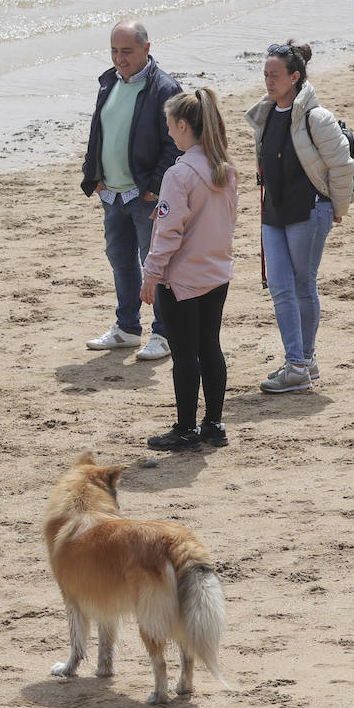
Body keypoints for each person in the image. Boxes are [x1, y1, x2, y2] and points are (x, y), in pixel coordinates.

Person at [245, 41, 354, 393]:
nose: (268, 81)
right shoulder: (264, 114)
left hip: (309, 210)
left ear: (295, 77)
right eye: (265, 75)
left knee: (302, 285)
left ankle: (300, 362)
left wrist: (338, 209)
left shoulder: (315, 117)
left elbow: (342, 166)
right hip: (273, 212)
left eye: (274, 75)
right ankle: (300, 362)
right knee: (279, 287)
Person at [139, 88, 238, 451]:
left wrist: (151, 274)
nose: (168, 134)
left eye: (170, 127)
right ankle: (213, 423)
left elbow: (168, 230)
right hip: (216, 273)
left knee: (185, 354)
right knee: (210, 346)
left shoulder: (179, 175)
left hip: (182, 278)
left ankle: (185, 428)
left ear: (183, 125)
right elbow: (230, 221)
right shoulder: (225, 169)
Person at [80, 21, 182, 361]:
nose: (119, 59)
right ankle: (126, 328)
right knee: (121, 261)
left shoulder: (164, 89)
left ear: (146, 49)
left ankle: (164, 334)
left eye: (126, 51)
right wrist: (92, 173)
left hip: (145, 197)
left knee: (156, 265)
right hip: (112, 194)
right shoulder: (108, 81)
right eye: (114, 51)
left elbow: (174, 145)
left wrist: (153, 188)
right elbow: (100, 132)